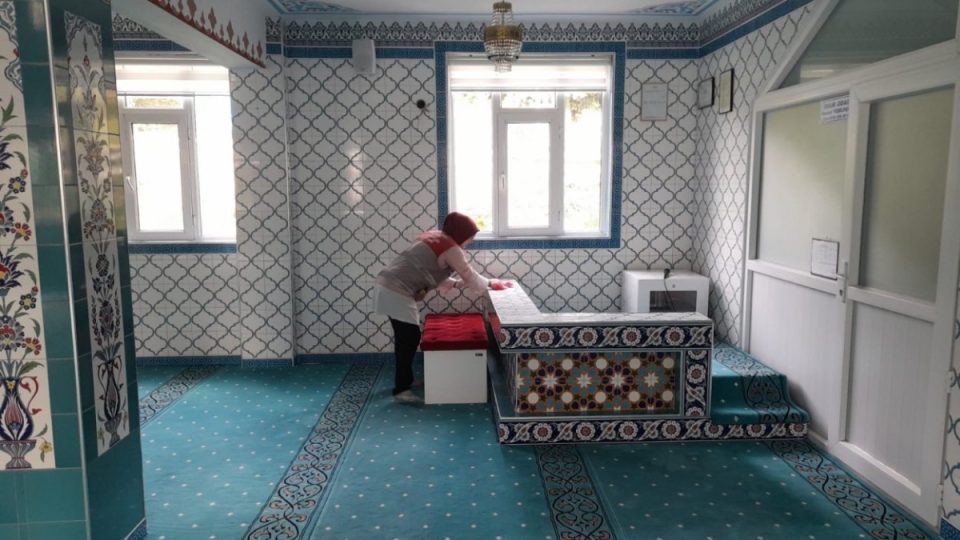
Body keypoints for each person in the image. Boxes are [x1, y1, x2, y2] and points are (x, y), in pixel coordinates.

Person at [374, 212, 512, 403]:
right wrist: (492, 283)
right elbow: (470, 276)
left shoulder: (436, 237)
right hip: (397, 290)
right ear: (461, 233)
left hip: (388, 284)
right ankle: (401, 390)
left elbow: (432, 273)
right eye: (470, 237)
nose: (470, 241)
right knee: (408, 338)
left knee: (406, 338)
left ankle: (406, 381)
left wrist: (462, 284)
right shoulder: (452, 248)